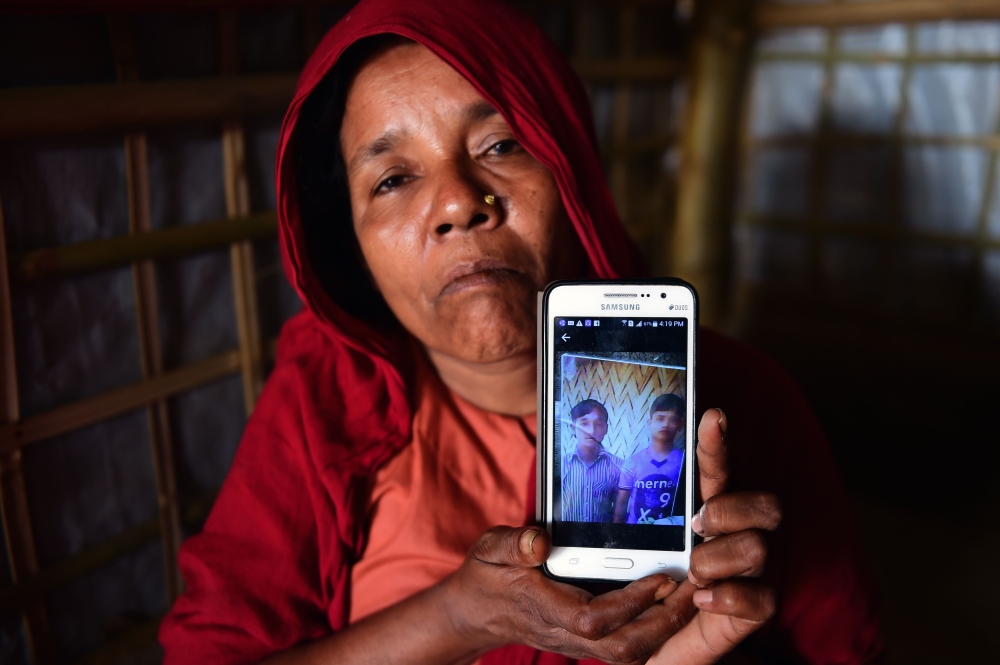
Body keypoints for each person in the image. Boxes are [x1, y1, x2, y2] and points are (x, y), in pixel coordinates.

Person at [159, 0, 881, 663]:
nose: (456, 203)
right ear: (348, 243)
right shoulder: (326, 396)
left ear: (574, 175)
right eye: (391, 179)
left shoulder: (746, 406)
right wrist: (460, 617)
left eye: (501, 145)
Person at [614, 394, 686, 525]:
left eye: (673, 420)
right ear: (650, 422)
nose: (665, 424)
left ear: (680, 425)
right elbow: (621, 505)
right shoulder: (632, 462)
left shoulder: (683, 463)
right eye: (660, 418)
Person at [561, 399, 623, 523]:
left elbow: (620, 513)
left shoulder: (619, 466)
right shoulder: (560, 466)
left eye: (599, 424)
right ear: (573, 428)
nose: (591, 431)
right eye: (584, 423)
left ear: (606, 429)